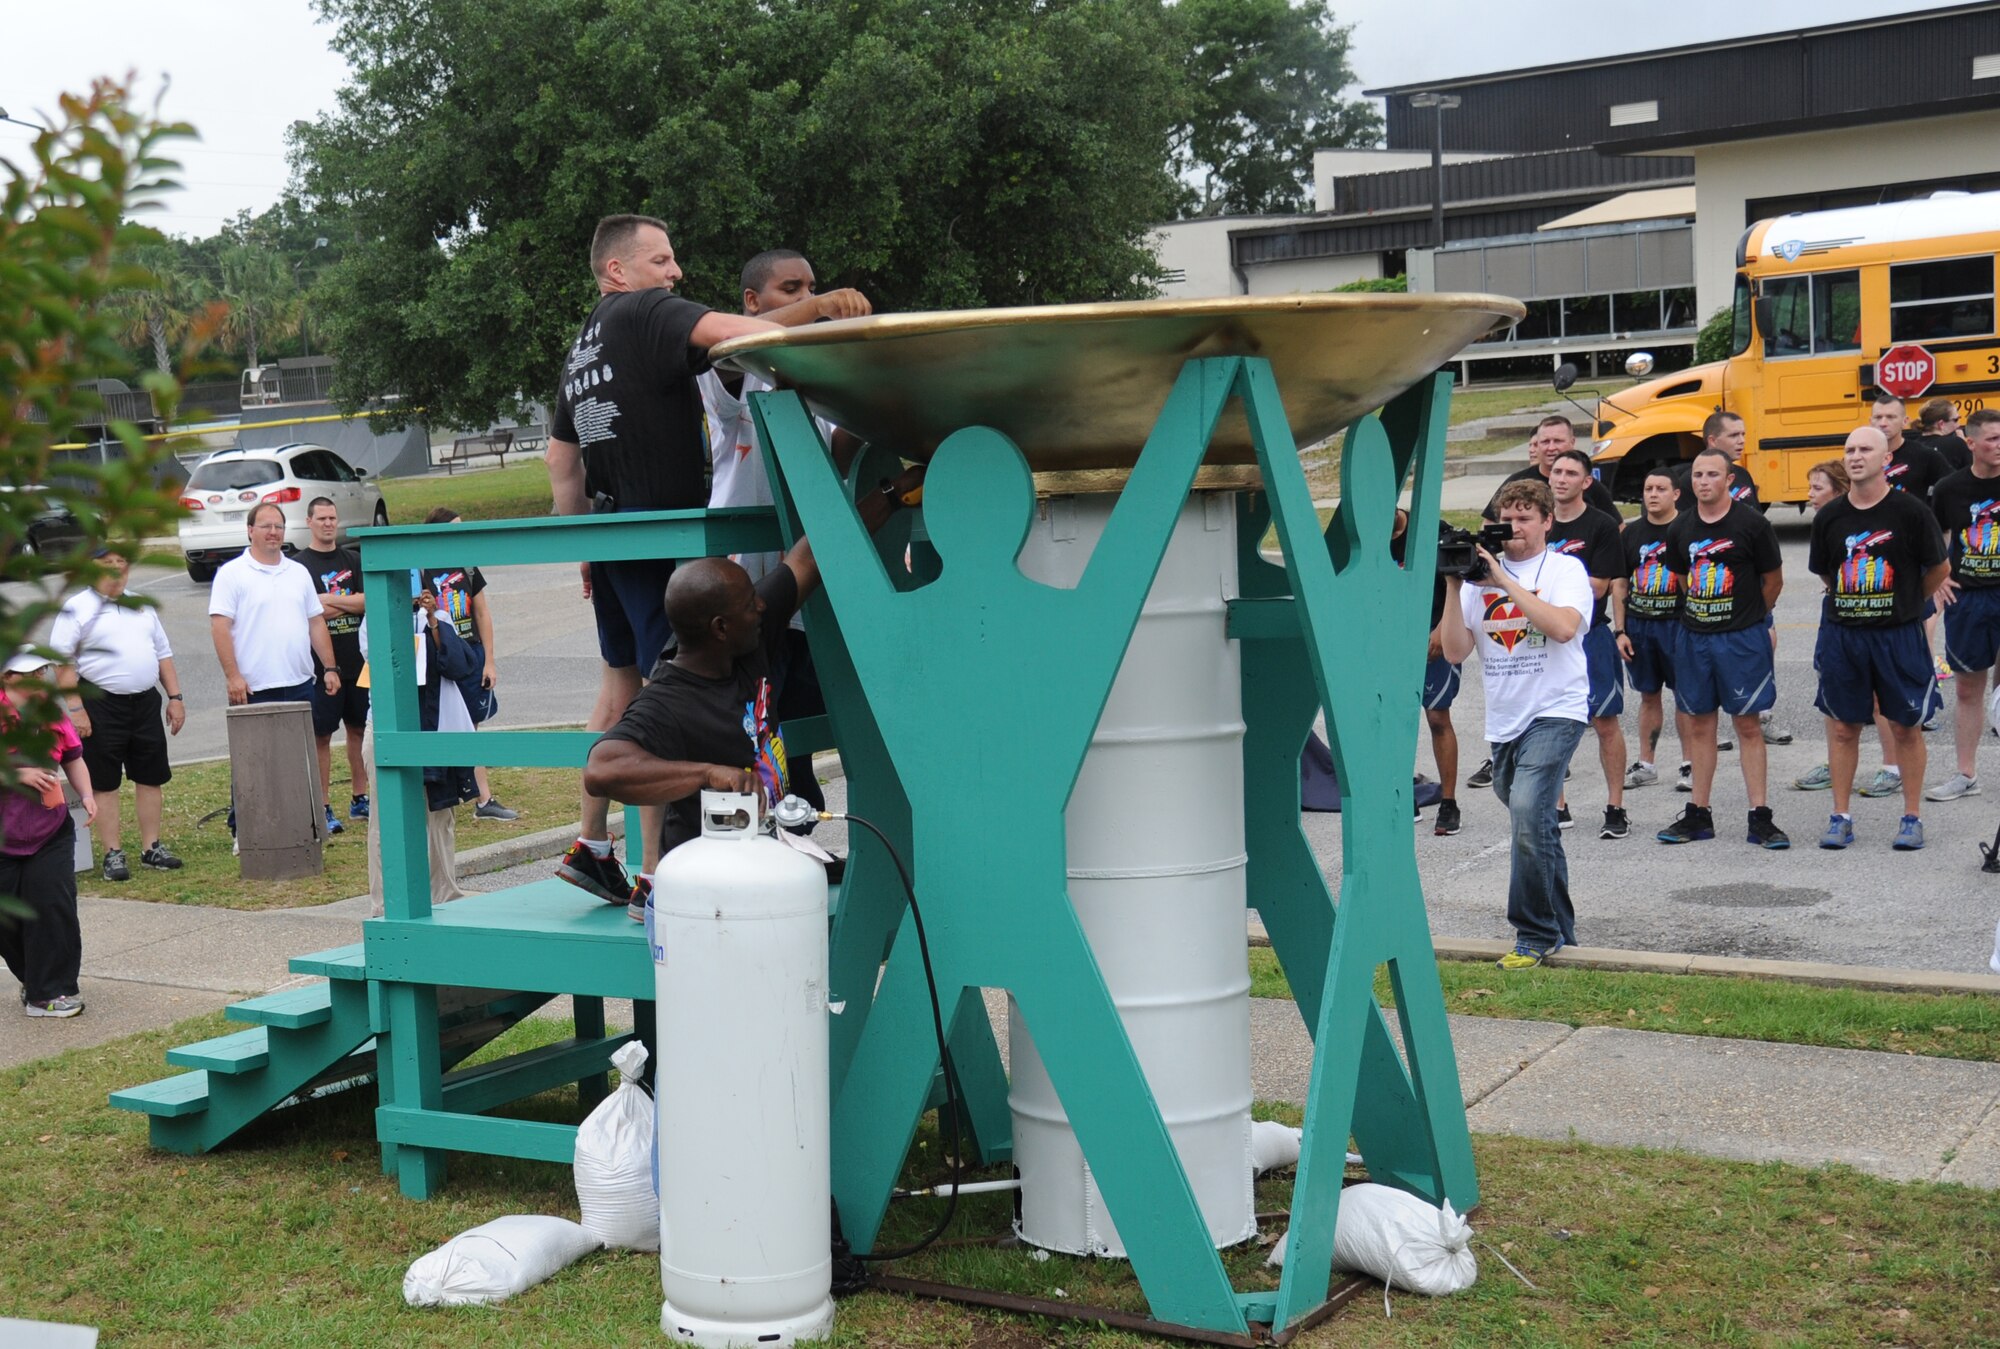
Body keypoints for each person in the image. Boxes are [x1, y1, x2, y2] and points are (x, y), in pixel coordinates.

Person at [545, 214, 864, 904]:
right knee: (671, 703)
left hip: (611, 538)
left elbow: (561, 462)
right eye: (661, 259)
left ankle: (594, 843)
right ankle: (658, 872)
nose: (676, 273)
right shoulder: (642, 312)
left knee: (620, 691)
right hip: (666, 546)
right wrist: (828, 318)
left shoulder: (580, 349)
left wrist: (583, 545)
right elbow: (731, 332)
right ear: (618, 272)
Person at [582, 461, 926, 919]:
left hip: (771, 868)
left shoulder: (748, 641)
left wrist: (890, 491)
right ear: (720, 627)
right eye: (751, 604)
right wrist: (707, 775)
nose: (762, 605)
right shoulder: (670, 699)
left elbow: (810, 555)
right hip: (711, 900)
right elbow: (601, 769)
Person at [696, 249, 868, 820]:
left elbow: (834, 461)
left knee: (799, 720)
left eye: (811, 288)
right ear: (752, 302)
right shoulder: (736, 376)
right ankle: (746, 834)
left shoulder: (815, 381)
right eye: (790, 289)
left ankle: (797, 831)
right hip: (743, 581)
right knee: (746, 718)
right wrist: (820, 308)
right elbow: (729, 350)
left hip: (798, 591)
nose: (806, 300)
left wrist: (870, 407)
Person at [1437, 478, 1592, 971]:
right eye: (1509, 517)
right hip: (1505, 720)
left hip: (1557, 708)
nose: (1517, 527)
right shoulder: (1476, 581)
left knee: (1527, 810)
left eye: (1527, 517)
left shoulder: (1565, 568)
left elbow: (1564, 628)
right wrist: (1455, 581)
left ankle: (1534, 932)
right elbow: (1456, 650)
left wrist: (1503, 580)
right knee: (1537, 822)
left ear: (1547, 521)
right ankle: (1562, 930)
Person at [1808, 425, 1948, 850]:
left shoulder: (1911, 512)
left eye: (1866, 449)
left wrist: (1904, 603)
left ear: (1886, 458)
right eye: (1849, 449)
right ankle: (1841, 816)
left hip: (1898, 637)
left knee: (1907, 727)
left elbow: (1938, 571)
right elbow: (1827, 573)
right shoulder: (1830, 516)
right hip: (1845, 637)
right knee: (1844, 729)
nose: (1855, 456)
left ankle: (1911, 818)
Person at [1654, 448, 1789, 848]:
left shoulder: (1752, 524)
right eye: (1697, 475)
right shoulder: (1681, 528)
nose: (1703, 482)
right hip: (1695, 638)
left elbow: (1773, 581)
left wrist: (1748, 618)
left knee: (1747, 724)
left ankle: (1760, 816)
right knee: (1699, 723)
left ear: (1729, 480)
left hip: (1742, 639)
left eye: (1712, 474)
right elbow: (1682, 579)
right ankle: (1698, 814)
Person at [209, 502, 341, 847]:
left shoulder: (297, 573)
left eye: (278, 526)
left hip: (298, 682)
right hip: (253, 686)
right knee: (251, 762)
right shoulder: (232, 574)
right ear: (250, 530)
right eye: (265, 526)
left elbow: (315, 621)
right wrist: (233, 675)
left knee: (299, 760)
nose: (273, 532)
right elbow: (220, 626)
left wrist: (329, 667)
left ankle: (300, 825)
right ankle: (246, 831)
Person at [48, 549, 184, 880]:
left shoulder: (142, 605)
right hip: (100, 704)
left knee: (150, 776)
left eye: (121, 565)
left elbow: (163, 653)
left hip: (145, 702)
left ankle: (152, 847)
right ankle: (113, 853)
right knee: (105, 781)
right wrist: (76, 709)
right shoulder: (76, 609)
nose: (116, 571)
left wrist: (175, 697)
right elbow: (63, 663)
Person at [361, 587, 484, 915]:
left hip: (433, 728)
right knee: (385, 820)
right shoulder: (374, 619)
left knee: (439, 816)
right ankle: (385, 904)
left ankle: (445, 895)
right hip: (387, 729)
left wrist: (431, 621)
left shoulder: (440, 619)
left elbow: (460, 666)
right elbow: (380, 663)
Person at [0, 650, 96, 1017]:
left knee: (53, 908)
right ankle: (35, 979)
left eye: (41, 672)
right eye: (28, 673)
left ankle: (51, 992)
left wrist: (86, 795)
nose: (38, 679)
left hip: (48, 829)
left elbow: (72, 756)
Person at [1544, 448, 1629, 839]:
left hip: (1588, 636)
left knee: (1605, 721)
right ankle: (1557, 804)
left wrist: (1541, 593)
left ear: (1586, 481)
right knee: (1547, 722)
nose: (1560, 478)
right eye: (1556, 471)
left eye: (1570, 473)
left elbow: (1597, 588)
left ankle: (1615, 807)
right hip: (1542, 639)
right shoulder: (1539, 524)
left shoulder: (1601, 526)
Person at [419, 508, 515, 822]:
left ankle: (482, 799)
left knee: (472, 724)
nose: (461, 533)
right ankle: (448, 791)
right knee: (443, 724)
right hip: (440, 655)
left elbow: (482, 614)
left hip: (470, 653)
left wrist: (489, 660)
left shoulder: (468, 566)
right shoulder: (420, 568)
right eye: (454, 528)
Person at [1925, 408, 2000, 801]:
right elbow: (1933, 537)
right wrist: (1938, 578)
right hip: (1969, 597)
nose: (1999, 446)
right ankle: (1966, 773)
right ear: (1970, 443)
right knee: (1970, 689)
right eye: (1992, 439)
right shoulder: (1951, 488)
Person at [298, 497, 368, 834]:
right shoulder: (299, 566)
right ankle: (323, 805)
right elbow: (309, 614)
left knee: (359, 730)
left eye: (333, 518)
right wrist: (346, 604)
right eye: (322, 518)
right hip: (322, 667)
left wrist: (328, 601)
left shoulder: (353, 560)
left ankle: (360, 797)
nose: (328, 524)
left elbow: (367, 602)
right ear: (309, 521)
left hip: (358, 661)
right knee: (321, 735)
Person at [1616, 465, 1685, 793]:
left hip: (1678, 625)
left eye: (1660, 489)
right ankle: (1647, 764)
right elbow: (1619, 585)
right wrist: (1620, 630)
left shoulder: (1686, 527)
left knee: (1687, 697)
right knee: (1648, 695)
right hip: (1641, 626)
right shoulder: (1631, 533)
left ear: (1676, 494)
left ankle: (1690, 764)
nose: (1653, 495)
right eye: (1648, 489)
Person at [1482, 415, 1618, 522]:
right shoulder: (1517, 482)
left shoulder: (1589, 485)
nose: (1551, 448)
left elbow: (1617, 529)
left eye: (1558, 441)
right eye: (1545, 442)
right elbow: (1490, 527)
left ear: (1572, 442)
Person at [1915, 398, 1971, 473]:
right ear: (1941, 424)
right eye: (1956, 420)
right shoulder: (1956, 444)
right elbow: (1975, 473)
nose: (1958, 425)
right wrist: (1965, 445)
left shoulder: (1912, 447)